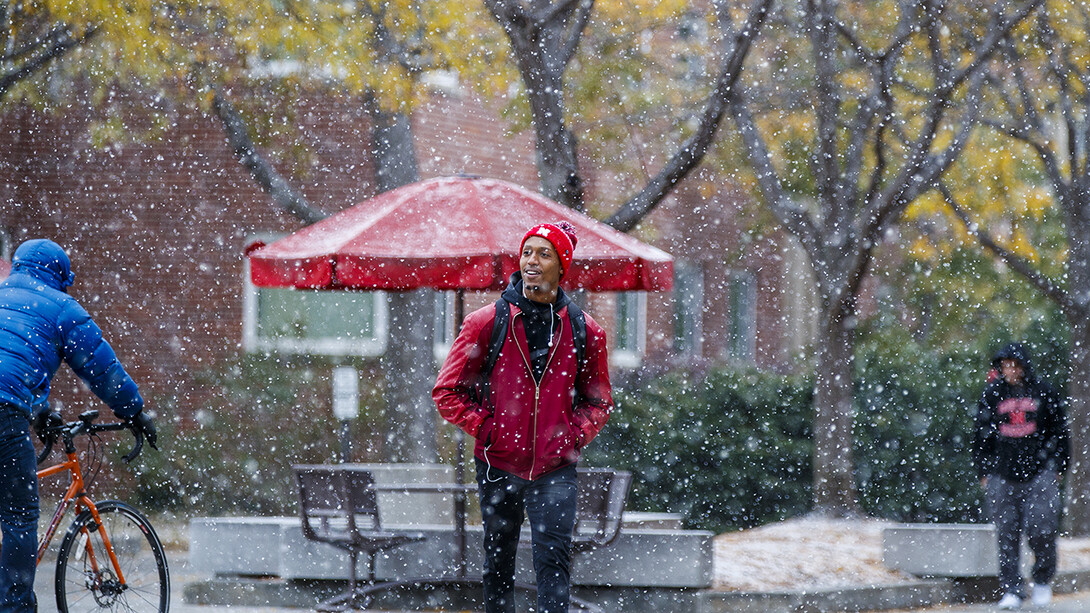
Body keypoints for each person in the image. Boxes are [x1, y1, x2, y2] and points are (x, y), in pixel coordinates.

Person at [434, 222, 613, 613]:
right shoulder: (486, 322)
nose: (532, 260)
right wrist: (489, 430)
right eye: (527, 251)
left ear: (561, 267)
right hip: (498, 464)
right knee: (498, 563)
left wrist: (571, 437)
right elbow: (447, 392)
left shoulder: (586, 331)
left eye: (544, 253)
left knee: (554, 565)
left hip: (555, 467)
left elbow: (598, 401)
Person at [0, 238, 157, 612]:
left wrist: (39, 410)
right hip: (5, 412)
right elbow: (103, 370)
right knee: (19, 515)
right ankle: (14, 607)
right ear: (59, 275)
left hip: (11, 402)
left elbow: (12, 359)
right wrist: (133, 412)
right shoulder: (61, 308)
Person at [972, 342, 1069, 610]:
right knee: (1006, 533)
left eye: (1015, 366)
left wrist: (1058, 465)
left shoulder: (1044, 392)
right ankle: (1012, 588)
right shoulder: (992, 394)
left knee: (1042, 528)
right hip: (1002, 474)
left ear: (1024, 366)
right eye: (1005, 367)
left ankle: (1041, 580)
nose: (1011, 371)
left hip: (1040, 472)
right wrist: (984, 470)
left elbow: (1060, 431)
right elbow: (981, 433)